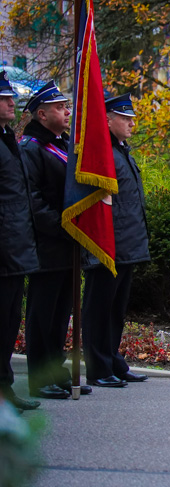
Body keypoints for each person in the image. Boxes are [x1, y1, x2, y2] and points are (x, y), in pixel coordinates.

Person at [19, 82, 93, 399]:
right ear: (42, 113)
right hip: (46, 245)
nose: (67, 112)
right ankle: (39, 376)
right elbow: (33, 202)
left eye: (67, 106)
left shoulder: (61, 145)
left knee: (61, 313)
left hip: (66, 245)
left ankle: (55, 370)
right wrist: (66, 228)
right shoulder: (31, 148)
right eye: (60, 107)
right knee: (43, 313)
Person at [82, 94, 150, 388]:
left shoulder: (121, 151)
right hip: (106, 245)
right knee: (99, 309)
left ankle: (112, 361)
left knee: (115, 310)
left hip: (126, 244)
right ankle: (98, 368)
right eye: (124, 118)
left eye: (132, 118)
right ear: (107, 119)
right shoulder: (101, 154)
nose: (131, 123)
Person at [0, 71, 40, 411]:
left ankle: (4, 388)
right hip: (3, 248)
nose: (12, 102)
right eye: (4, 98)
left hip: (13, 247)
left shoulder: (7, 138)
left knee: (9, 319)